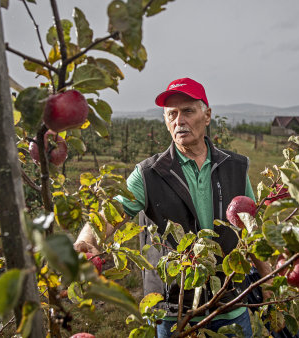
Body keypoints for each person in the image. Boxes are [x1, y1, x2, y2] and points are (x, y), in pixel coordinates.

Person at [74, 77, 272, 337]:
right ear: (166, 121)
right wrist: (87, 239)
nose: (179, 120)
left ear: (207, 115)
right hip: (173, 309)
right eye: (172, 114)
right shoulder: (149, 173)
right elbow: (112, 213)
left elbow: (251, 230)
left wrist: (267, 279)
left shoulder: (235, 168)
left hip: (229, 303)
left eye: (188, 111)